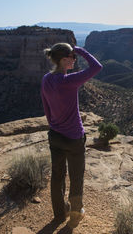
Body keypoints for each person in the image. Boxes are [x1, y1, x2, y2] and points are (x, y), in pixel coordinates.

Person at [41, 42, 102, 228]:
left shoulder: (46, 79)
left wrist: (54, 125)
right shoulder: (69, 81)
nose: (74, 60)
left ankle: (60, 213)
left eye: (75, 56)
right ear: (64, 60)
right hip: (74, 138)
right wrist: (81, 50)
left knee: (57, 175)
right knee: (76, 177)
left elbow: (46, 107)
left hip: (55, 135)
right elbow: (97, 67)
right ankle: (75, 215)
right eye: (72, 57)